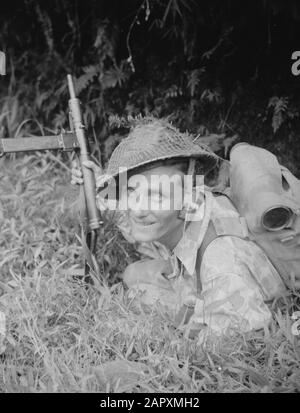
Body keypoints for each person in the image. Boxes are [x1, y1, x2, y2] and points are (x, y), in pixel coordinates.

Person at [71, 118, 287, 343]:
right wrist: (97, 185)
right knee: (134, 277)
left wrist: (168, 344)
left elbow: (241, 344)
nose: (138, 209)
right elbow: (126, 216)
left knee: (143, 297)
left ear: (188, 198)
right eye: (131, 191)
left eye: (157, 196)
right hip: (194, 280)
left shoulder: (222, 262)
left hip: (229, 292)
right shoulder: (189, 200)